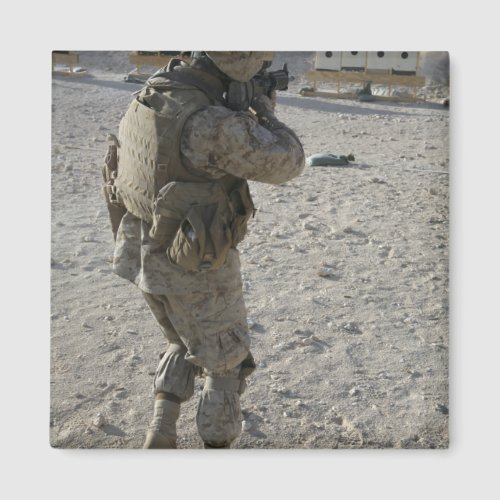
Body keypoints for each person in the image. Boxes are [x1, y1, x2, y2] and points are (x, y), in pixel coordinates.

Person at [102, 51, 305, 449]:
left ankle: (161, 432)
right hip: (194, 260)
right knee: (225, 363)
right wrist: (263, 111)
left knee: (182, 341)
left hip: (143, 253)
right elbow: (289, 162)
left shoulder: (156, 91)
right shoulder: (213, 123)